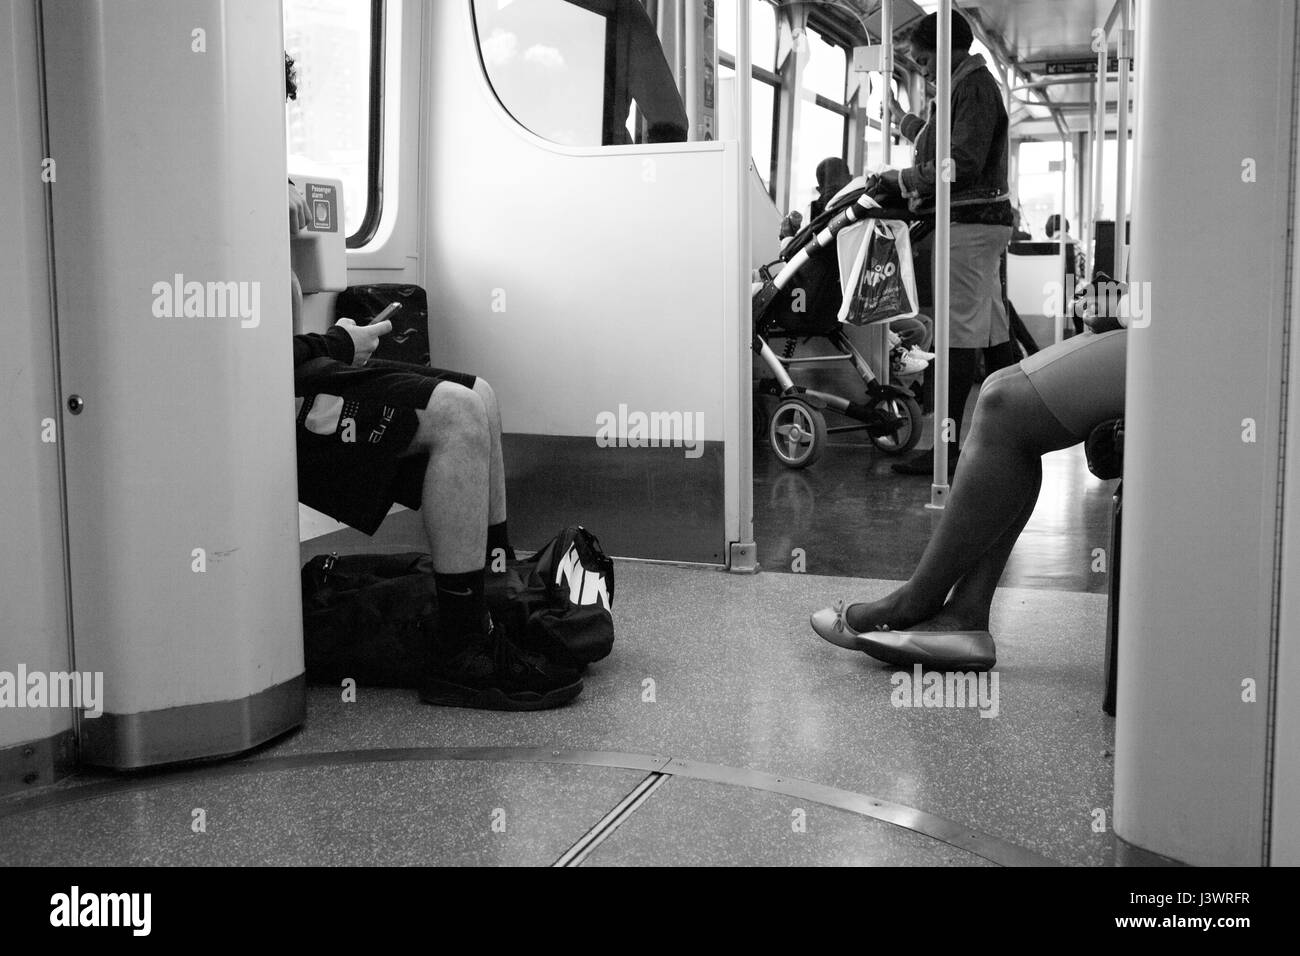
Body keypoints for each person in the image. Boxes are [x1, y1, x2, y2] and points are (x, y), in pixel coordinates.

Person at [286, 52, 582, 711]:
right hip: (276, 400)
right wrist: (341, 343)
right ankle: (457, 647)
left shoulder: (244, 192)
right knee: (454, 415)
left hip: (300, 373)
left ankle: (497, 597)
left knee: (480, 394)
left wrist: (337, 346)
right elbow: (246, 360)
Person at [810, 278, 1129, 669]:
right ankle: (965, 614)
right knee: (999, 388)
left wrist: (1126, 304)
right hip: (1168, 325)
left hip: (1183, 338)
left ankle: (922, 601)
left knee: (1005, 406)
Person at [874, 11, 1018, 476]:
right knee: (994, 333)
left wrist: (902, 178)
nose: (922, 69)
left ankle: (946, 451)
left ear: (947, 47)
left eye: (923, 59)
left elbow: (962, 161)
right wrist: (905, 123)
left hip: (969, 224)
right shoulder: (963, 86)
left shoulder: (973, 87)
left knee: (957, 336)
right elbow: (941, 143)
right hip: (981, 223)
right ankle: (1021, 427)